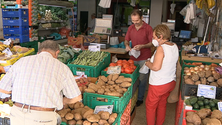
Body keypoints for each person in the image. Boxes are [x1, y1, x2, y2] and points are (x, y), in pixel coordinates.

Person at [0, 40, 82, 125]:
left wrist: (17, 91)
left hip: (17, 115)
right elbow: (76, 97)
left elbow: (2, 87)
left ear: (39, 51)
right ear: (57, 53)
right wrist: (63, 101)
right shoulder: (62, 68)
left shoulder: (22, 61)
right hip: (42, 118)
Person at [145, 24, 179, 125]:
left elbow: (156, 67)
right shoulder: (174, 46)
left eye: (154, 37)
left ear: (160, 37)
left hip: (159, 84)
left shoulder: (161, 48)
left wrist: (147, 63)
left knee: (150, 107)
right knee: (162, 104)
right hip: (170, 82)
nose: (153, 39)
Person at [124, 9, 153, 106]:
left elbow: (152, 43)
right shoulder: (131, 28)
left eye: (137, 20)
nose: (135, 23)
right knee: (132, 79)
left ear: (142, 18)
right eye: (133, 21)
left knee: (142, 79)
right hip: (133, 57)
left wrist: (142, 46)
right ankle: (132, 97)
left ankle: (140, 98)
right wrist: (127, 45)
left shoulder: (148, 28)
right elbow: (126, 40)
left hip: (144, 58)